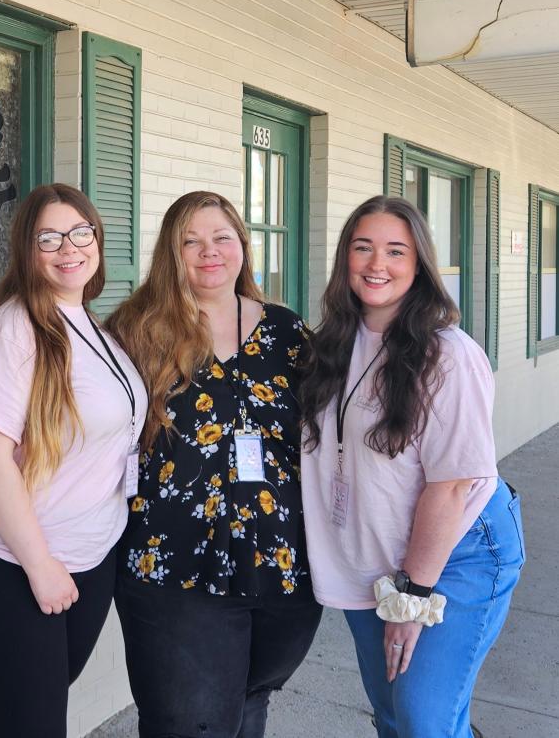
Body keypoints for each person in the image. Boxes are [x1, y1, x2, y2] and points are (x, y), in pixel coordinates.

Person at [299, 196, 524, 738]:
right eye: (363, 248)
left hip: (458, 551)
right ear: (344, 259)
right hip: (374, 555)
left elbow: (451, 486)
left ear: (419, 264)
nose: (377, 264)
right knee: (393, 715)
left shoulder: (448, 354)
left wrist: (412, 597)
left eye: (395, 251)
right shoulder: (332, 344)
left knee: (425, 722)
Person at [105, 190, 321, 738]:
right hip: (175, 570)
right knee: (188, 723)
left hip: (281, 565)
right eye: (191, 241)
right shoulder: (136, 331)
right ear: (170, 253)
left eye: (222, 237)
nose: (210, 252)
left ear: (242, 247)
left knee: (250, 705)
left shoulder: (287, 333)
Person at [0, 183, 147, 737]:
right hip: (12, 563)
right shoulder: (12, 330)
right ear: (27, 251)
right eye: (50, 238)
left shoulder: (93, 326)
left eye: (80, 232)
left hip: (88, 555)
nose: (69, 248)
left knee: (37, 711)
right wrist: (40, 566)